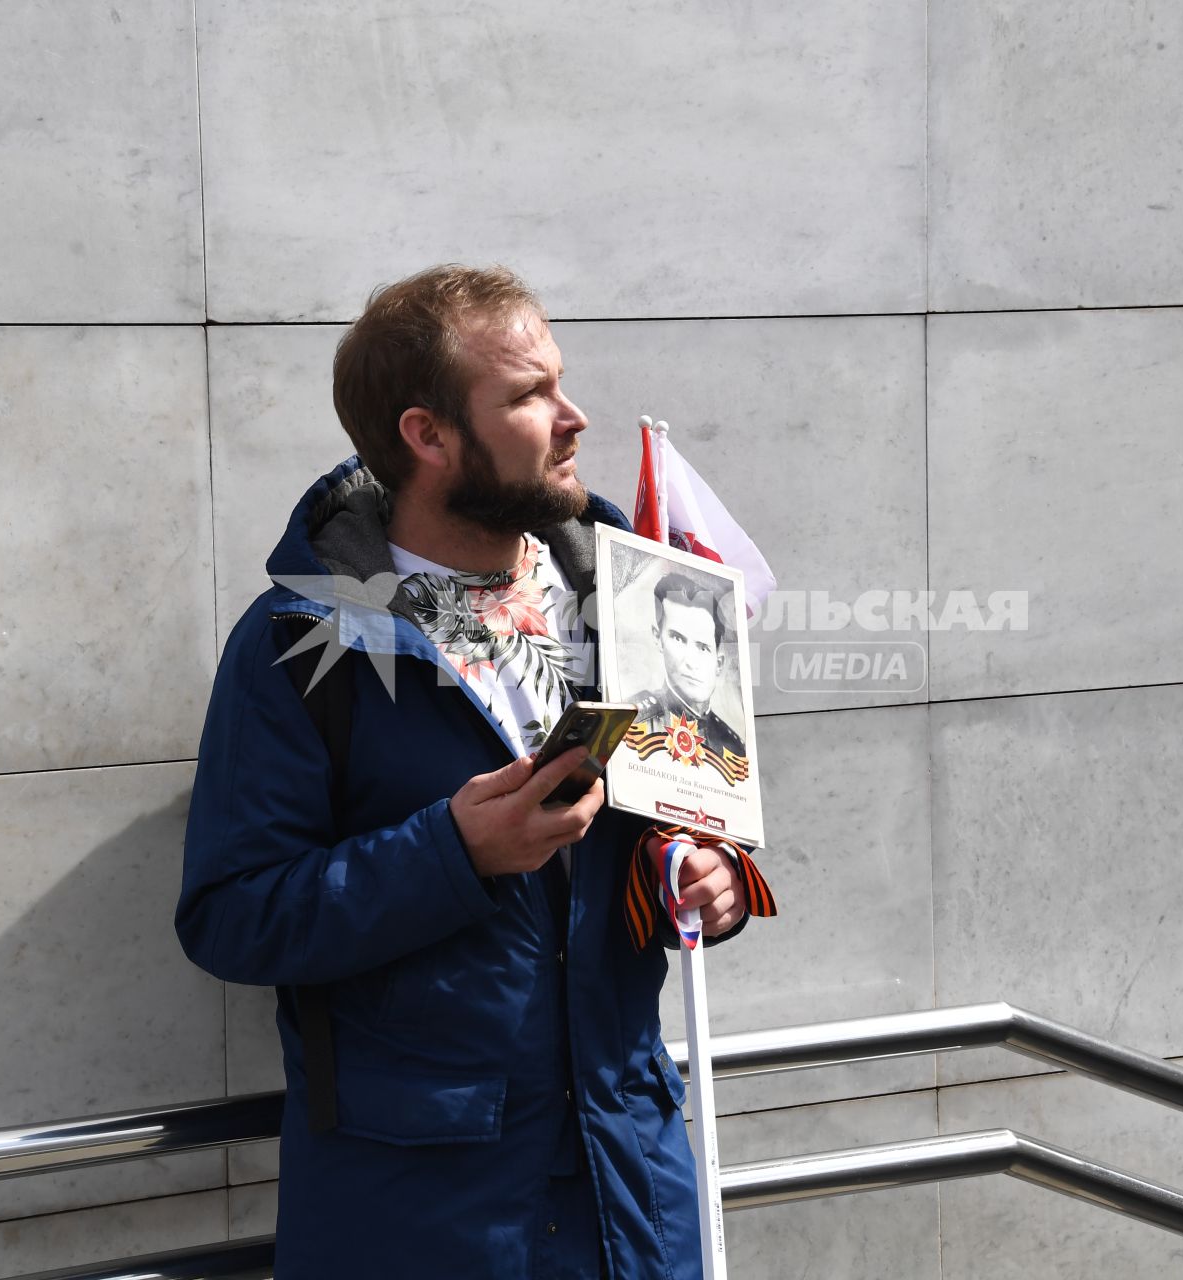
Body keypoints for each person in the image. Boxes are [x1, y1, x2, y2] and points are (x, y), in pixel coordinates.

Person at [175, 264, 768, 1279]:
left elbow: (687, 806)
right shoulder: (300, 644)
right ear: (429, 434)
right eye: (530, 395)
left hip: (631, 1186)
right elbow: (233, 914)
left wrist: (706, 877)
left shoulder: (629, 595)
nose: (574, 416)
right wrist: (452, 851)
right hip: (424, 1218)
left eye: (560, 382)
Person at [630, 571, 746, 760]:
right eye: (677, 638)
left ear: (719, 663)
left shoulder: (735, 748)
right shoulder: (632, 720)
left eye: (702, 647)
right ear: (658, 638)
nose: (691, 661)